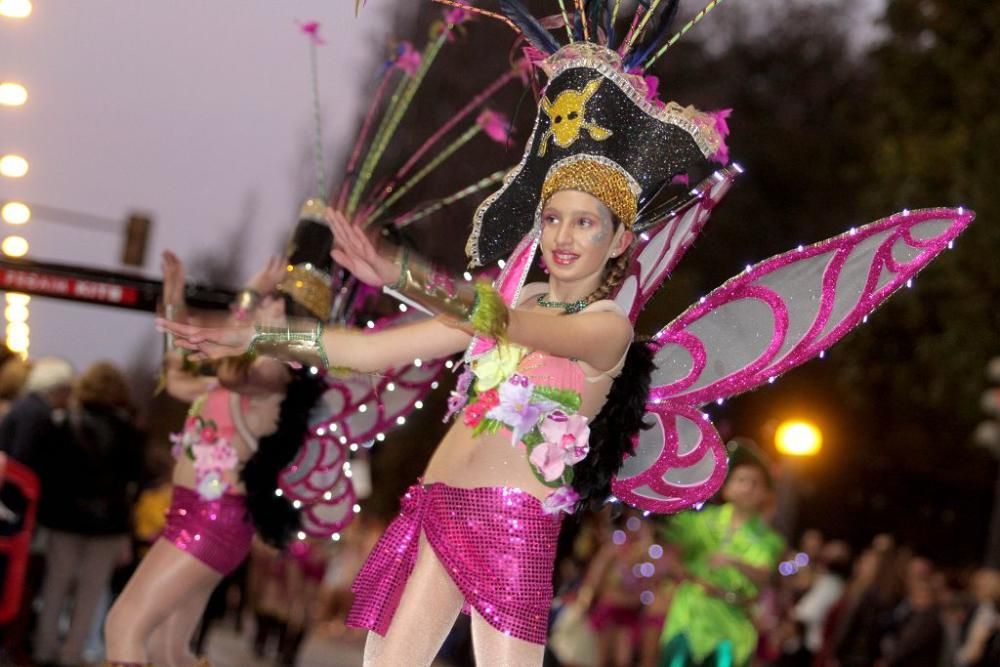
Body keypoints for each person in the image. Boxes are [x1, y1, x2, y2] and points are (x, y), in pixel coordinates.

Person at [103, 243, 324, 667]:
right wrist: (173, 298)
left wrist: (248, 301)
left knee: (124, 624)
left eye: (277, 306)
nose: (266, 307)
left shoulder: (273, 375)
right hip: (197, 515)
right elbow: (178, 376)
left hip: (212, 520)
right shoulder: (237, 373)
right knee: (169, 651)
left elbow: (230, 366)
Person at [34, 362, 144, 667]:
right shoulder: (129, 430)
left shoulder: (66, 422)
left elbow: (49, 469)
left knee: (55, 584)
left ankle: (44, 649)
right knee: (90, 593)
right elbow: (135, 477)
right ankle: (71, 654)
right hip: (107, 522)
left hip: (64, 516)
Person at [656, 448, 784, 667]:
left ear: (765, 494)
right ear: (726, 486)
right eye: (741, 480)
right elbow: (671, 542)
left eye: (756, 483)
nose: (748, 488)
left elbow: (763, 575)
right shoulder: (700, 521)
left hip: (731, 622)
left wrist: (734, 562)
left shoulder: (769, 540)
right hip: (689, 615)